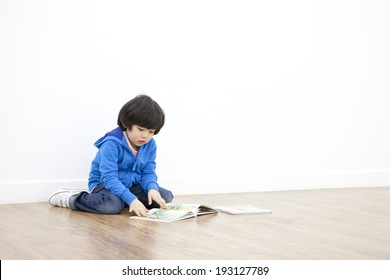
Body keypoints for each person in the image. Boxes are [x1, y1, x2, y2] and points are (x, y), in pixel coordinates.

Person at [49, 95, 173, 216]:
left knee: (165, 196)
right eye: (140, 129)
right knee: (112, 205)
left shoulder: (150, 144)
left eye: (151, 132)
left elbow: (148, 172)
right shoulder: (111, 143)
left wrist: (152, 189)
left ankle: (125, 199)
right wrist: (132, 199)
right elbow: (108, 177)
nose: (145, 136)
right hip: (105, 184)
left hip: (131, 186)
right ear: (127, 124)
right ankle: (74, 199)